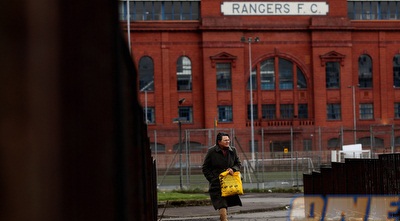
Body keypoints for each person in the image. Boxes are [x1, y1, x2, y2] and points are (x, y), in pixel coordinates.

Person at [202, 132, 242, 221]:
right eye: (225, 140)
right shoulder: (212, 151)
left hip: (229, 183)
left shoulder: (233, 150)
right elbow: (205, 167)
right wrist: (212, 179)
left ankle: (223, 218)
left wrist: (233, 169)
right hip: (216, 183)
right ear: (219, 142)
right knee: (222, 204)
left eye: (228, 140)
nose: (228, 142)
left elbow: (238, 164)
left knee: (226, 204)